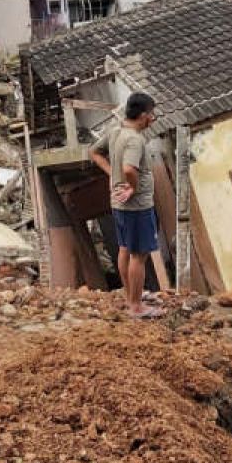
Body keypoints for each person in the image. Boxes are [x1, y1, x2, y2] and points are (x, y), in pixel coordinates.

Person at [90, 92, 160, 318]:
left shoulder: (116, 130)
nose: (153, 118)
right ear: (142, 116)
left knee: (124, 249)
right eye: (151, 114)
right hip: (136, 206)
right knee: (139, 255)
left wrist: (113, 175)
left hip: (119, 205)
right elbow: (130, 169)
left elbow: (94, 152)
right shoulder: (135, 140)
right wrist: (131, 186)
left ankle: (132, 296)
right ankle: (137, 307)